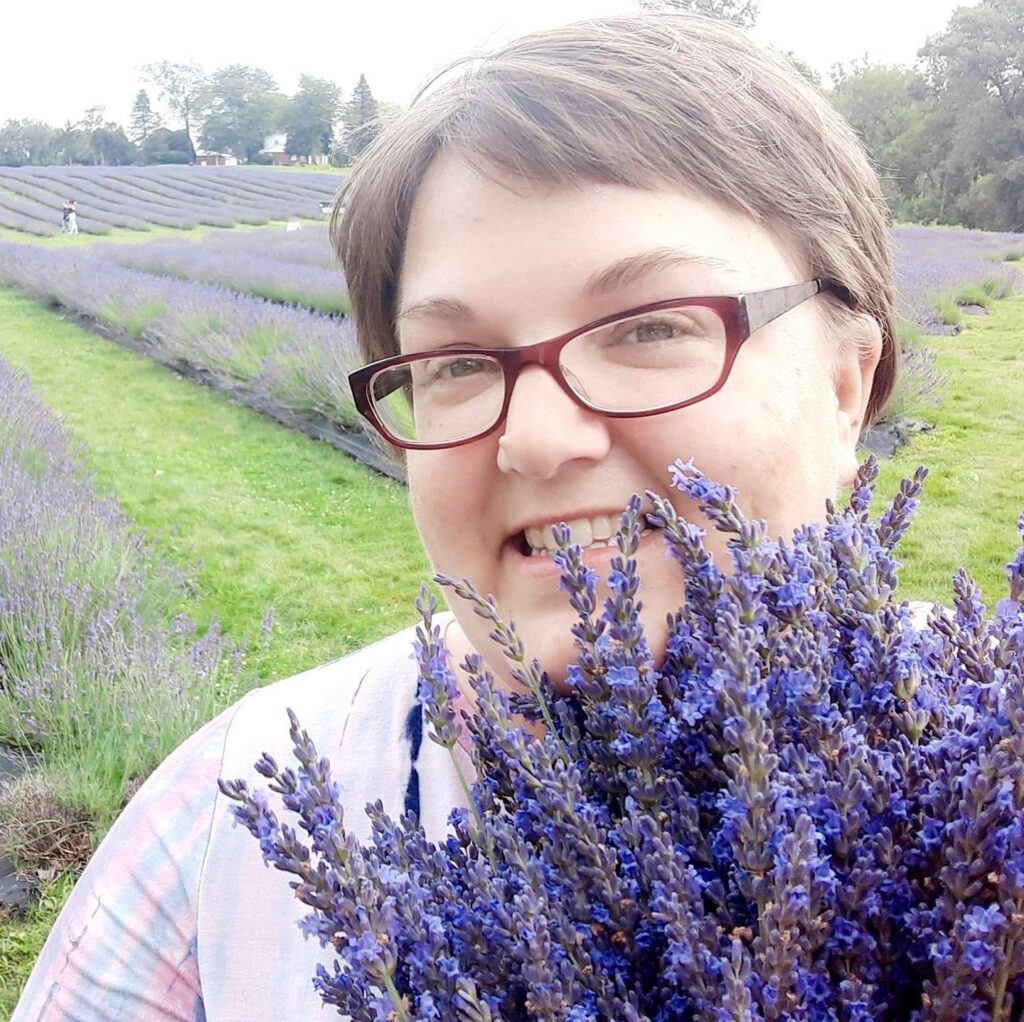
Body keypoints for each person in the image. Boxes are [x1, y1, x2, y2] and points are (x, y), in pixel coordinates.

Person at [12, 14, 897, 1020]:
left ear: (845, 380)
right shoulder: (215, 840)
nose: (539, 437)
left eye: (653, 325)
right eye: (460, 364)